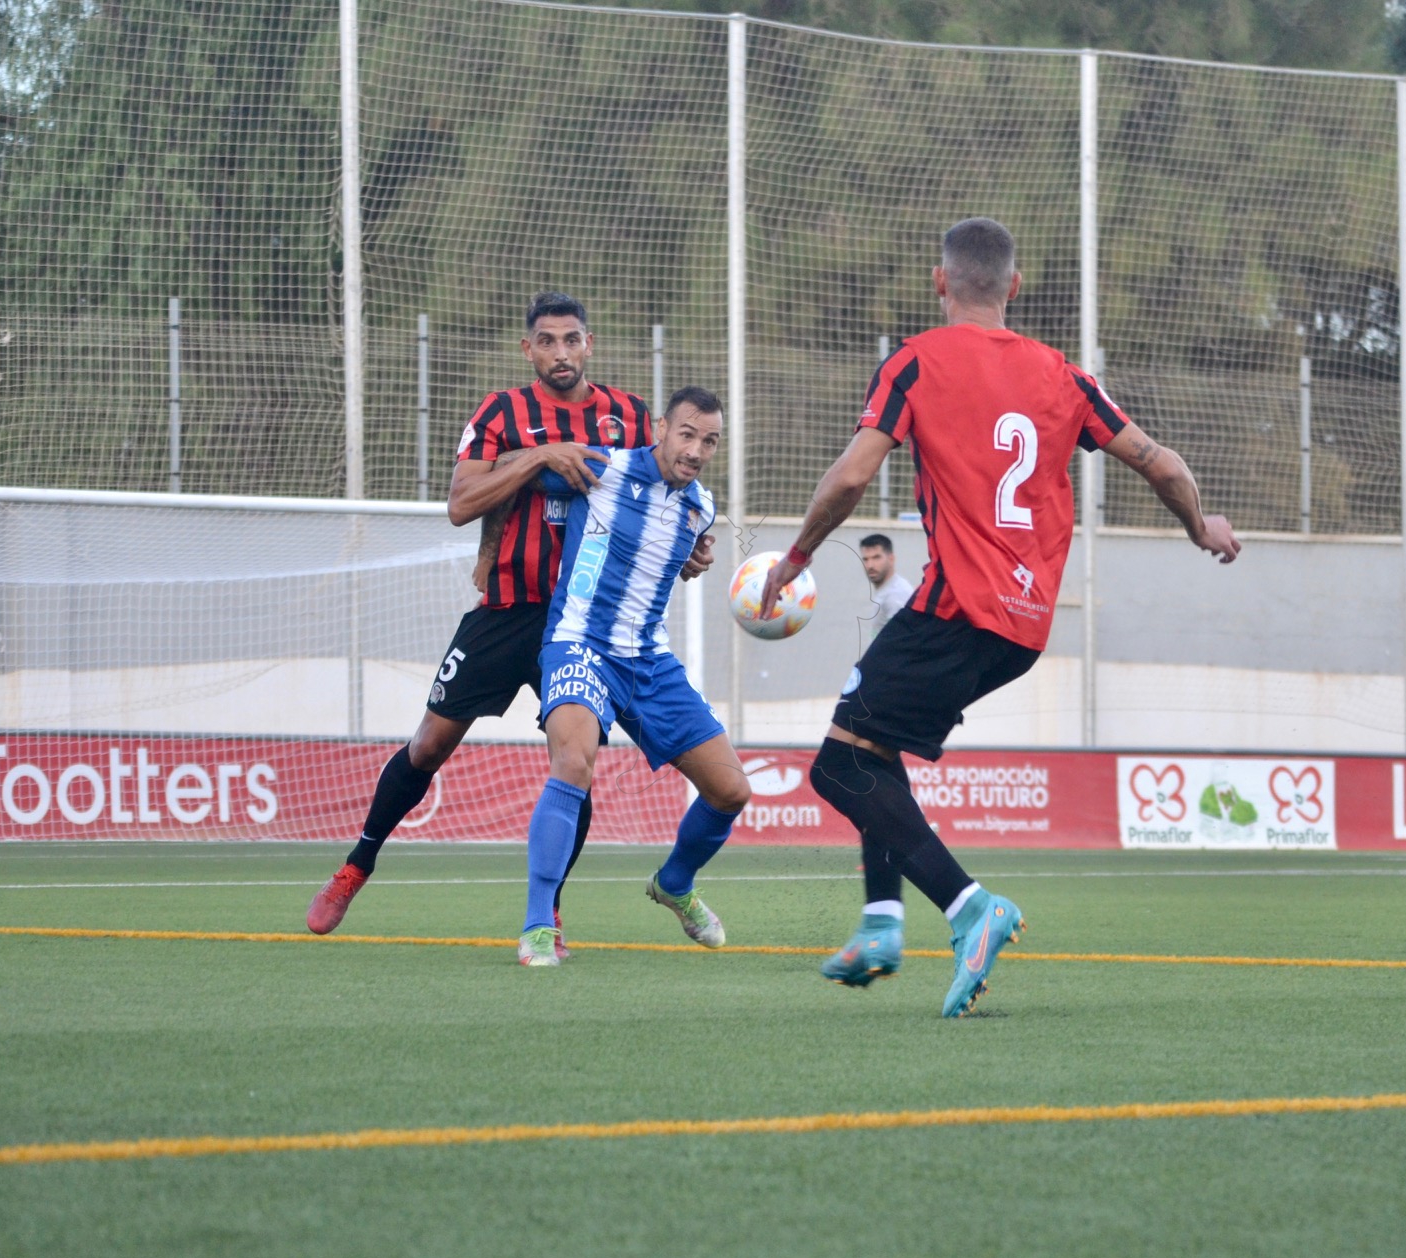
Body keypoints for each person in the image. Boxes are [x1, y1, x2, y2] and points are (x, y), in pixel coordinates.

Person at [759, 218, 1240, 1016]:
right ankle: (881, 920)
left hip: (956, 605)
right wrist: (1200, 527)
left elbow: (850, 477)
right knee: (869, 741)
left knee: (839, 767)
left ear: (939, 281)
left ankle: (968, 906)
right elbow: (1160, 461)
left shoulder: (913, 362)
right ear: (1012, 288)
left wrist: (797, 557)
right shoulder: (1062, 376)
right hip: (1021, 626)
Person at [306, 291, 714, 949]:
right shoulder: (501, 413)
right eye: (547, 341)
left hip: (588, 628)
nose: (561, 352)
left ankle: (547, 913)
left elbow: (670, 490)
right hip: (509, 610)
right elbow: (461, 502)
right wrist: (538, 456)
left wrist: (690, 547)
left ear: (590, 345)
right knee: (428, 745)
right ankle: (357, 864)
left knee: (574, 763)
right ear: (528, 349)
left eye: (572, 339)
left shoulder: (633, 416)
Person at [515, 386, 752, 966]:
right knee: (573, 763)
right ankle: (537, 926)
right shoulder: (600, 467)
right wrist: (490, 546)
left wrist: (698, 559)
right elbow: (510, 475)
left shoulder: (701, 506)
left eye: (710, 441)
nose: (696, 450)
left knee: (731, 789)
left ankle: (674, 882)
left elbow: (684, 554)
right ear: (661, 429)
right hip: (580, 645)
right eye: (688, 434)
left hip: (648, 660)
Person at [858, 533, 914, 637]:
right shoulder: (886, 591)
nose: (870, 565)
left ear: (891, 559)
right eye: (866, 559)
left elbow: (903, 641)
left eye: (876, 557)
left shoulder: (895, 595)